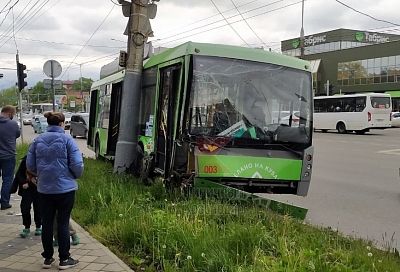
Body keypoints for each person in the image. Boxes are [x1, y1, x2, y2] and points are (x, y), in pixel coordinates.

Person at [27, 112, 83, 270]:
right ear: (61, 123)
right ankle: (64, 259)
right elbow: (77, 165)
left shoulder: (37, 140)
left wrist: (42, 175)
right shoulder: (67, 140)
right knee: (63, 223)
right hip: (65, 190)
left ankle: (47, 258)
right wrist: (73, 176)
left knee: (47, 223)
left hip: (44, 189)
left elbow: (30, 165)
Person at [11, 155, 42, 238]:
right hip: (27, 188)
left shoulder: (43, 160)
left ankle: (39, 226)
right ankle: (26, 227)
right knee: (25, 208)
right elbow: (19, 174)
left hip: (39, 188)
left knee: (38, 208)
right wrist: (24, 182)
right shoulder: (26, 161)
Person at [0, 105, 21, 210]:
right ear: (9, 113)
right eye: (13, 114)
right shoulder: (13, 124)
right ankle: (4, 203)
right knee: (7, 179)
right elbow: (17, 134)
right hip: (8, 155)